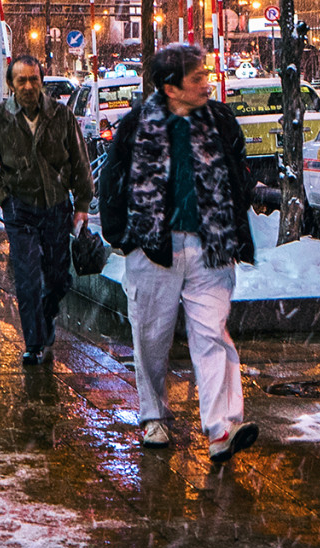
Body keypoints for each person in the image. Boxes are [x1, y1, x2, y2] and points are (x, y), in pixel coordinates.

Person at [98, 42, 261, 462]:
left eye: (205, 75)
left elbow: (240, 171)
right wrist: (123, 237)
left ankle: (222, 427)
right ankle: (153, 414)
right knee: (151, 339)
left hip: (210, 246)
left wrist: (234, 218)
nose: (207, 83)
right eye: (197, 78)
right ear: (171, 87)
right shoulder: (136, 125)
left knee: (212, 335)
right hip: (154, 249)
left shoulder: (220, 121)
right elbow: (112, 182)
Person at [0, 54, 93, 363]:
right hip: (21, 210)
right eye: (21, 80)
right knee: (27, 276)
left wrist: (82, 203)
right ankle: (34, 343)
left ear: (42, 80)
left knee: (58, 279)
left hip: (56, 207)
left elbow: (79, 161)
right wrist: (4, 196)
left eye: (34, 79)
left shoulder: (61, 115)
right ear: (11, 85)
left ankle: (48, 313)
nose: (28, 86)